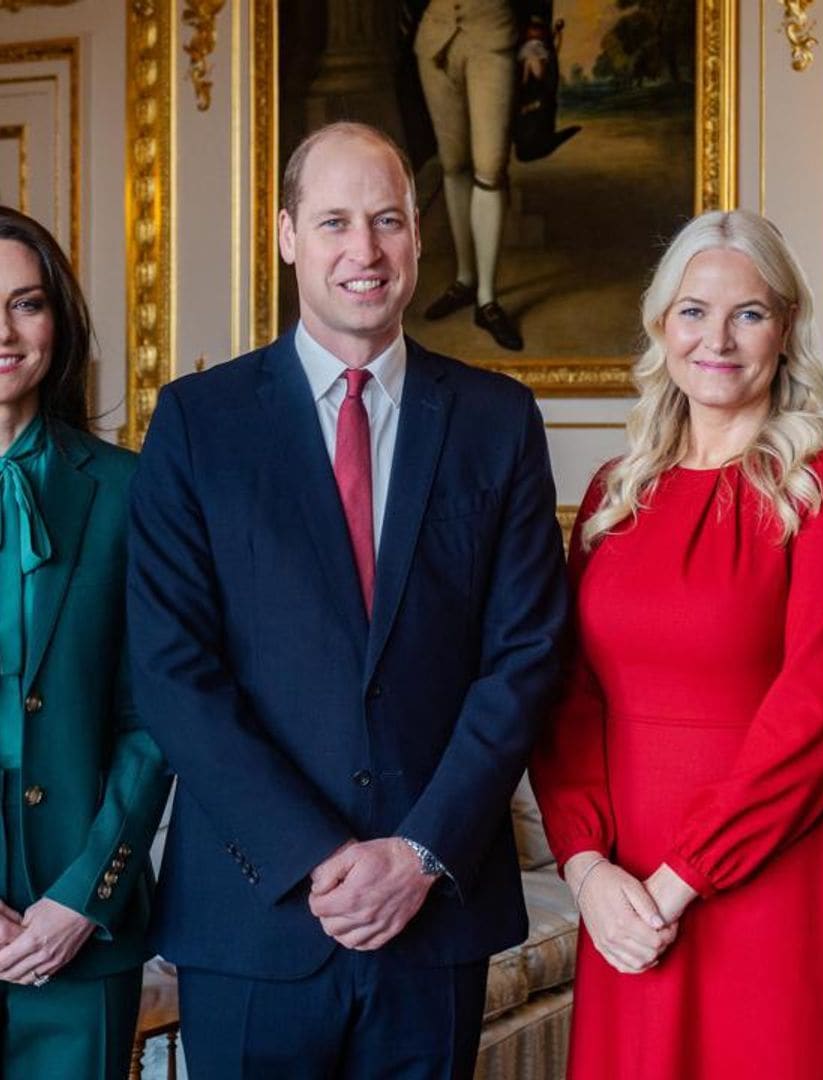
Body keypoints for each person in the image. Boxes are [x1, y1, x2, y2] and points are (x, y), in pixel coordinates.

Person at [127, 122, 566, 1078]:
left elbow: (525, 654)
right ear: (287, 235)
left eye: (387, 221)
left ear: (417, 238)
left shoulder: (497, 422)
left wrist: (418, 854)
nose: (362, 251)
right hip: (255, 914)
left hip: (433, 907)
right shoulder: (198, 423)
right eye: (333, 222)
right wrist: (313, 856)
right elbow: (171, 671)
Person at [531, 209, 823, 1078]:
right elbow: (569, 696)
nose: (718, 340)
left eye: (750, 313)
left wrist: (678, 880)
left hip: (766, 881)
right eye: (694, 311)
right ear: (662, 325)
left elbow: (816, 715)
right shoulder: (615, 493)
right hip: (625, 891)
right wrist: (586, 869)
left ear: (787, 327)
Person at [0, 207, 170, 1078]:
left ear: (57, 322)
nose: (3, 331)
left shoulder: (130, 490)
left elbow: (155, 718)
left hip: (80, 915)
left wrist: (84, 895)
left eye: (25, 303)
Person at [407, 0, 549, 351]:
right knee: (453, 164)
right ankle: (465, 279)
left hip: (492, 36)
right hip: (434, 40)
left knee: (489, 167)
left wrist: (534, 37)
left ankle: (487, 299)